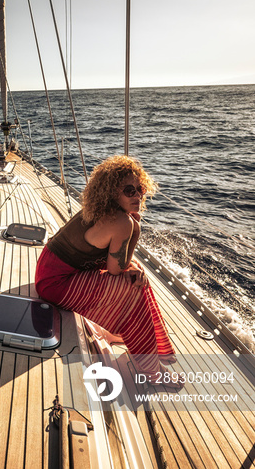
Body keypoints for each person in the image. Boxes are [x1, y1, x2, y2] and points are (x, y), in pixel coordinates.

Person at [35, 155, 182, 387]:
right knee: (132, 286)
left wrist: (133, 254)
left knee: (138, 273)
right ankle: (151, 368)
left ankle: (143, 343)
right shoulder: (122, 222)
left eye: (140, 189)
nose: (138, 195)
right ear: (113, 193)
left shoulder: (106, 212)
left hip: (50, 269)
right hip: (55, 283)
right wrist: (135, 229)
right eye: (129, 191)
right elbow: (116, 270)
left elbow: (120, 262)